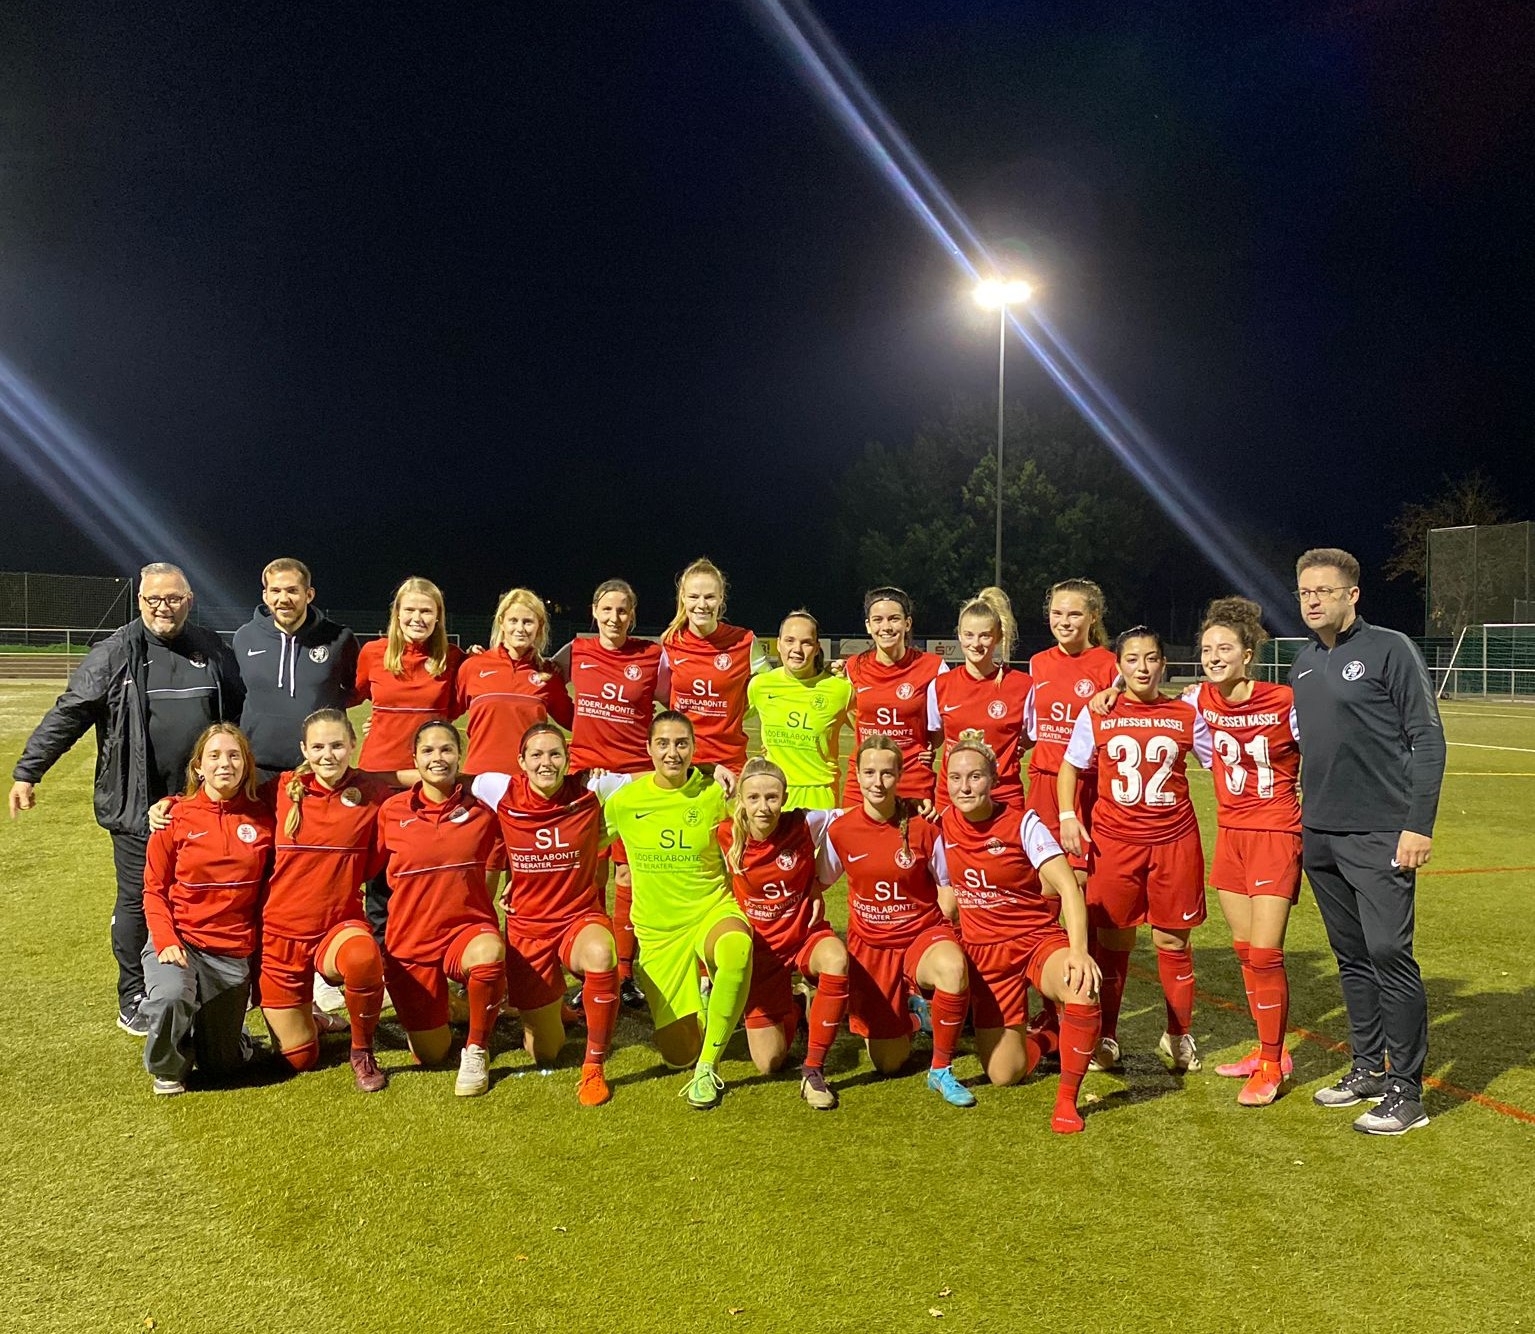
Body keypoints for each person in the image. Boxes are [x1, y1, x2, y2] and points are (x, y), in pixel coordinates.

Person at [9, 561, 245, 1034]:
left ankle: (206, 985)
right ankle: (133, 995)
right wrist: (28, 771)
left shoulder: (212, 648)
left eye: (173, 598)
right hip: (138, 805)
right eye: (153, 598)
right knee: (139, 898)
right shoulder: (115, 652)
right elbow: (71, 712)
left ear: (189, 600)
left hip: (200, 804)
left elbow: (241, 710)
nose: (163, 607)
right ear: (140, 600)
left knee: (207, 893)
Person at [1290, 548, 1446, 1136]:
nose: (1312, 601)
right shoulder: (1303, 661)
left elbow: (1428, 739)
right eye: (1305, 592)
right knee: (1352, 959)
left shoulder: (1390, 648)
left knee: (1388, 955)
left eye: (1324, 591)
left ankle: (1408, 1093)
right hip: (1320, 834)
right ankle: (1367, 1070)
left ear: (1352, 595)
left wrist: (1418, 824)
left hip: (1381, 831)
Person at [1057, 626, 1207, 1075]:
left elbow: (1220, 760)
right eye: (1133, 659)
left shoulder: (1187, 712)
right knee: (1113, 941)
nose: (1143, 667)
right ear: (1119, 666)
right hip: (1115, 842)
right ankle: (1106, 1035)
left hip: (1174, 841)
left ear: (1164, 663)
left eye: (1152, 658)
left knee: (1172, 940)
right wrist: (1067, 816)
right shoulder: (1098, 711)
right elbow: (1070, 766)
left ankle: (1177, 1034)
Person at [940, 733, 1102, 1132]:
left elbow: (1067, 887)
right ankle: (1047, 1038)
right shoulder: (941, 825)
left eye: (975, 776)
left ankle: (1067, 1101)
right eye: (956, 778)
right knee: (1004, 1074)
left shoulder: (1023, 823)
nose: (965, 787)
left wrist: (1078, 951)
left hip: (1034, 940)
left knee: (1081, 985)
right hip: (985, 955)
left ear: (994, 780)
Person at [470, 723, 632, 1107]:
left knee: (601, 954)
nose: (547, 763)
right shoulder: (498, 789)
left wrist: (713, 770)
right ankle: (555, 1004)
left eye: (555, 754)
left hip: (578, 918)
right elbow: (458, 783)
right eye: (537, 755)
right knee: (545, 1051)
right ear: (521, 761)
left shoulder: (592, 789)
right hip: (528, 929)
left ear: (568, 759)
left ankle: (593, 1067)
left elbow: (647, 779)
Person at [601, 711, 753, 1110]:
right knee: (677, 1053)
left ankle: (707, 1068)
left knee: (736, 949)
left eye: (682, 743)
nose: (673, 752)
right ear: (649, 749)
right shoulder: (624, 802)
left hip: (712, 910)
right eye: (663, 744)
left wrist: (719, 770)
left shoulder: (715, 793)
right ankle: (708, 1009)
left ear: (694, 748)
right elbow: (579, 843)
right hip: (658, 934)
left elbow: (760, 808)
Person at [822, 734, 974, 1107]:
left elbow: (946, 886)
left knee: (952, 968)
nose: (878, 782)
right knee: (889, 1063)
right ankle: (916, 1013)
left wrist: (949, 934)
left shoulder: (922, 826)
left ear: (900, 775)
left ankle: (941, 1069)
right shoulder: (840, 830)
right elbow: (817, 882)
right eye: (869, 773)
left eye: (887, 773)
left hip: (920, 936)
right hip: (872, 948)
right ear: (856, 775)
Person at [257, 710, 392, 1093]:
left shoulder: (372, 793)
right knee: (300, 1059)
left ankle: (362, 1051)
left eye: (337, 745)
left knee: (363, 957)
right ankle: (313, 1019)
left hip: (337, 927)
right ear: (304, 749)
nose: (328, 755)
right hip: (280, 935)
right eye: (318, 747)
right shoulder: (280, 789)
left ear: (353, 745)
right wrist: (170, 804)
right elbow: (226, 802)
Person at [552, 577, 667, 1006]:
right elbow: (541, 680)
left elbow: (677, 702)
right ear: (594, 612)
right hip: (587, 779)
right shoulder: (577, 650)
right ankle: (592, 971)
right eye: (607, 609)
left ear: (632, 615)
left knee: (629, 875)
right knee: (589, 875)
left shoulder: (651, 656)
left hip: (635, 780)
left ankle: (624, 973)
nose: (615, 617)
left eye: (623, 610)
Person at [376, 721, 507, 1097]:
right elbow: (366, 868)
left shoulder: (482, 811)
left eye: (447, 749)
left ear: (459, 755)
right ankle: (454, 1007)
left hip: (465, 933)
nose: (438, 758)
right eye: (429, 751)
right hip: (410, 941)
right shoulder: (390, 811)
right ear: (414, 759)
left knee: (489, 953)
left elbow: (522, 839)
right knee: (431, 1054)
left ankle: (477, 1048)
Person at [140, 723, 272, 1095]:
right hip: (181, 941)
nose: (224, 763)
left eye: (234, 755)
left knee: (223, 1065)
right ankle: (169, 1065)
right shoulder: (173, 817)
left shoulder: (265, 818)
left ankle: (223, 1033)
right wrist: (166, 939)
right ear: (198, 766)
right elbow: (153, 890)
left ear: (246, 765)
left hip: (231, 951)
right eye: (214, 756)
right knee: (170, 996)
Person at [717, 757, 849, 1109]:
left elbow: (853, 821)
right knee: (768, 1062)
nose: (764, 807)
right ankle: (797, 1005)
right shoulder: (725, 834)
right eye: (754, 797)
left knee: (836, 959)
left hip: (805, 936)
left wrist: (819, 880)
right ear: (741, 800)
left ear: (785, 798)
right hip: (762, 952)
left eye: (772, 797)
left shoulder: (804, 822)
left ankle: (813, 1069)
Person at [353, 576, 465, 947]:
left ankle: (425, 951)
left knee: (425, 872)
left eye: (426, 611)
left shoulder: (452, 659)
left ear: (438, 617)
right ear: (397, 613)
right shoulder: (373, 653)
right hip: (378, 781)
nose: (418, 618)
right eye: (410, 610)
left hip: (427, 784)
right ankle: (380, 958)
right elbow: (350, 696)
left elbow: (461, 708)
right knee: (379, 877)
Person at [233, 558, 360, 781]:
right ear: (265, 596)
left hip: (319, 766)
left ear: (309, 594)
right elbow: (237, 694)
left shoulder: (340, 639)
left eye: (292, 590)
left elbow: (357, 689)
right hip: (256, 766)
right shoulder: (244, 637)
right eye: (276, 591)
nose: (283, 599)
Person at [927, 588, 1032, 809]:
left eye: (985, 635)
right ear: (959, 635)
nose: (976, 643)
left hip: (1003, 797)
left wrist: (1012, 748)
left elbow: (1032, 736)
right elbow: (934, 738)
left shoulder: (1022, 685)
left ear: (998, 637)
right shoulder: (940, 685)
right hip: (952, 799)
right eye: (969, 635)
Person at [844, 587, 946, 812]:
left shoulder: (933, 667)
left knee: (912, 835)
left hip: (912, 777)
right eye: (878, 620)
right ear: (868, 626)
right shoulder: (853, 667)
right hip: (864, 779)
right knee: (855, 833)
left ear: (907, 624)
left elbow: (945, 722)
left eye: (894, 619)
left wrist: (929, 745)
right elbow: (852, 713)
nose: (886, 627)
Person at [661, 557, 767, 773]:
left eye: (709, 597)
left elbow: (771, 688)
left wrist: (739, 711)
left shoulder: (744, 641)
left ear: (721, 598)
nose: (702, 605)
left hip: (729, 761)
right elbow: (658, 694)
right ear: (683, 598)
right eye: (694, 597)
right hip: (681, 762)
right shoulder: (670, 642)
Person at [456, 587, 574, 777]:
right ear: (501, 622)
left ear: (539, 626)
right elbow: (444, 713)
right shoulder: (473, 666)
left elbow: (576, 722)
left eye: (528, 622)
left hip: (528, 782)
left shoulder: (549, 675)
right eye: (513, 621)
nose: (520, 629)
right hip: (477, 780)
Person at [746, 609, 853, 810]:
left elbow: (870, 730)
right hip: (773, 794)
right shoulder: (760, 685)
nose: (797, 649)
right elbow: (727, 722)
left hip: (819, 797)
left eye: (806, 643)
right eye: (790, 641)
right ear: (778, 644)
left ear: (817, 648)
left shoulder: (840, 689)